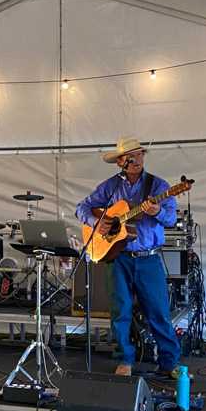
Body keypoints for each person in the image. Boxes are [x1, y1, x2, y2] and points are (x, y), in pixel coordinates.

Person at [76, 137, 181, 376]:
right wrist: (97, 222)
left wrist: (157, 211)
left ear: (144, 156)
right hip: (119, 257)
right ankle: (125, 359)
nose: (135, 160)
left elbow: (171, 219)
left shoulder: (159, 186)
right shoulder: (111, 186)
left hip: (149, 258)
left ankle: (170, 362)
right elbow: (81, 208)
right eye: (128, 157)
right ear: (120, 162)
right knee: (120, 311)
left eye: (138, 155)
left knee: (158, 312)